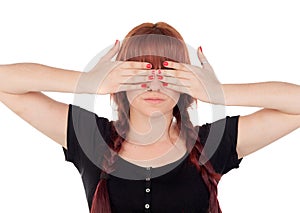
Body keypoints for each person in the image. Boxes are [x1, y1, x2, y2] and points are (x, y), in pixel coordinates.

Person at [0, 22, 299, 213]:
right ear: (120, 80)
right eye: (141, 72)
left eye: (168, 73)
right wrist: (89, 81)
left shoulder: (211, 143)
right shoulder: (90, 137)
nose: (155, 85)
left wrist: (217, 92)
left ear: (186, 84)